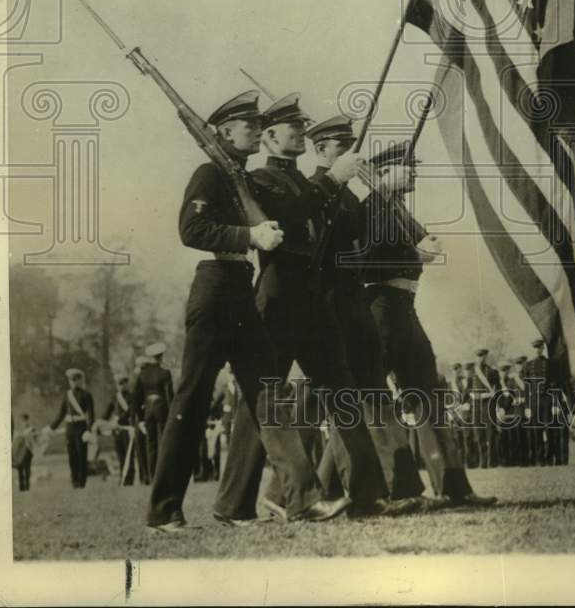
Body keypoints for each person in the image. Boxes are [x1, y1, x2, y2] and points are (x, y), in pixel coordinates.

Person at [147, 90, 351, 532]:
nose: (259, 130)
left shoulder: (239, 176)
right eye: (250, 125)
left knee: (269, 395)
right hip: (215, 287)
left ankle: (297, 501)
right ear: (223, 132)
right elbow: (192, 228)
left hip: (240, 289)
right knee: (193, 398)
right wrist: (249, 237)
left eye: (260, 124)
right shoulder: (210, 173)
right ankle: (163, 510)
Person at [215, 94, 393, 521]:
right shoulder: (262, 180)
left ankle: (367, 494)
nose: (301, 133)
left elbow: (337, 224)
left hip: (313, 296)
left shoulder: (302, 182)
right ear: (274, 136)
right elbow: (291, 213)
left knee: (342, 389)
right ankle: (235, 502)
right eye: (294, 128)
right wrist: (332, 181)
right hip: (279, 295)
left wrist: (365, 189)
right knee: (263, 400)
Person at [360, 139, 492, 507]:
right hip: (381, 309)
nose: (415, 172)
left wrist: (424, 246)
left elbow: (419, 243)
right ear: (384, 172)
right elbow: (364, 262)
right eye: (408, 167)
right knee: (371, 400)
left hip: (404, 308)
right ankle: (343, 488)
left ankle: (453, 486)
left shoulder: (397, 209)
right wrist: (413, 252)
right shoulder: (371, 208)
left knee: (429, 395)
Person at [302, 115, 425, 505]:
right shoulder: (314, 192)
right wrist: (382, 193)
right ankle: (327, 492)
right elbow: (334, 249)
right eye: (341, 145)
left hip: (353, 303)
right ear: (321, 149)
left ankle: (397, 489)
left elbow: (362, 236)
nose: (351, 152)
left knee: (370, 397)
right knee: (345, 402)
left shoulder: (348, 195)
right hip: (331, 305)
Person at [133, 343, 174, 481]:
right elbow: (169, 396)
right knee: (164, 441)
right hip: (161, 408)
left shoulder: (142, 375)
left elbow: (136, 398)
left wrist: (140, 418)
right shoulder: (165, 373)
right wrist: (171, 414)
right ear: (161, 356)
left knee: (150, 444)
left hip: (148, 410)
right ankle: (164, 475)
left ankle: (152, 476)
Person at [49, 368, 94, 488]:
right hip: (70, 428)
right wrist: (51, 427)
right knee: (72, 455)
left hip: (81, 427)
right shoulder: (67, 395)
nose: (74, 382)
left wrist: (89, 430)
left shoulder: (86, 395)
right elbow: (61, 414)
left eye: (76, 379)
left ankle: (82, 482)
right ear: (69, 381)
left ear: (80, 380)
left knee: (81, 455)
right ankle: (74, 481)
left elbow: (91, 414)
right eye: (72, 380)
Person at [471, 348, 501, 469]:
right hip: (476, 405)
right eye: (478, 356)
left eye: (482, 356)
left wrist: (490, 395)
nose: (480, 358)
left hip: (488, 405)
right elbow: (468, 390)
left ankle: (491, 462)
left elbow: (497, 389)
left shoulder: (492, 372)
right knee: (479, 434)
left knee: (490, 433)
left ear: (486, 357)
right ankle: (482, 463)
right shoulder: (473, 372)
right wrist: (473, 396)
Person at [103, 372, 135, 485]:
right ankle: (122, 477)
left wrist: (118, 420)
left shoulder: (132, 397)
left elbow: (130, 411)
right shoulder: (114, 397)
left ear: (127, 383)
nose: (121, 385)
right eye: (118, 383)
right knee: (120, 454)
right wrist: (102, 422)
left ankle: (129, 479)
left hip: (127, 428)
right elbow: (107, 412)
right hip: (117, 430)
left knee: (129, 455)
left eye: (123, 383)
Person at [523, 340, 550, 467]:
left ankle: (549, 457)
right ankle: (540, 459)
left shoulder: (548, 363)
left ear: (542, 348)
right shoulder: (528, 365)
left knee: (549, 429)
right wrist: (527, 406)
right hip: (534, 401)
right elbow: (526, 387)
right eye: (535, 348)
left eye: (539, 348)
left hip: (546, 399)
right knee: (536, 430)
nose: (537, 350)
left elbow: (553, 384)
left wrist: (554, 402)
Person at [131, 356, 151, 484]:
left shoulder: (148, 381)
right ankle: (144, 477)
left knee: (150, 448)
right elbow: (134, 403)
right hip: (140, 420)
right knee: (140, 450)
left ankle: (149, 475)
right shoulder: (137, 382)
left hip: (148, 418)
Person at [508, 356, 529, 466]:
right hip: (517, 411)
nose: (519, 366)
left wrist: (524, 400)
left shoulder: (528, 378)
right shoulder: (512, 381)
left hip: (527, 410)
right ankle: (520, 460)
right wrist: (514, 400)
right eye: (517, 364)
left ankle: (529, 460)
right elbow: (509, 396)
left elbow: (531, 393)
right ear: (515, 366)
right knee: (518, 436)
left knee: (528, 436)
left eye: (521, 364)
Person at [12, 414, 37, 492]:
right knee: (20, 469)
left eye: (25, 421)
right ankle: (22, 487)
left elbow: (35, 439)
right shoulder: (19, 430)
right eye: (23, 421)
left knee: (27, 469)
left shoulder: (32, 429)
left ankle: (27, 487)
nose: (24, 422)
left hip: (28, 451)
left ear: (28, 420)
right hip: (20, 452)